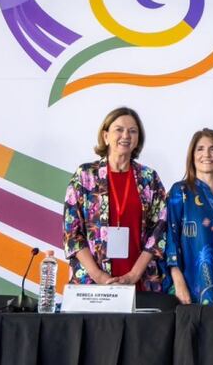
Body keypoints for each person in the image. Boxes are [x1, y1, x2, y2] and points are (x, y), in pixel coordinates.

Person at [63, 107, 167, 291]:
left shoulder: (149, 178)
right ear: (105, 136)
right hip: (92, 285)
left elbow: (159, 231)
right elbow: (72, 232)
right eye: (119, 129)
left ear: (138, 140)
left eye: (133, 131)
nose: (126, 135)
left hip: (140, 282)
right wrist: (99, 276)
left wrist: (133, 275)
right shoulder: (85, 175)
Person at [164, 128, 213, 304]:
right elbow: (170, 238)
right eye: (200, 149)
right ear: (192, 155)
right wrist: (178, 282)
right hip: (192, 286)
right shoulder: (180, 191)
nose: (206, 154)